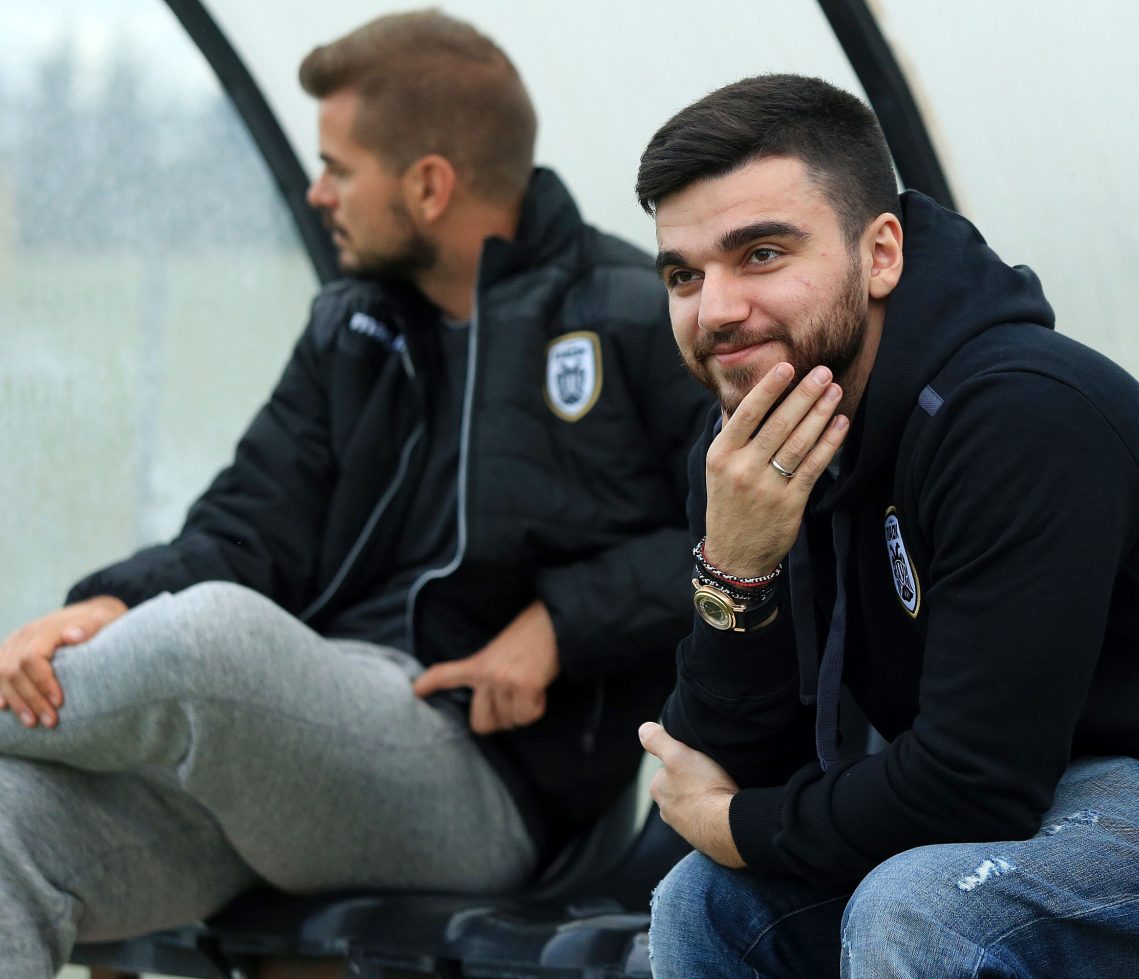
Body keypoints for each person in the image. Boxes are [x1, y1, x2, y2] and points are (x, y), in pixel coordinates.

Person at [0, 10, 707, 975]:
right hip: (289, 757)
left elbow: (753, 537)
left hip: (481, 782)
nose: (316, 191)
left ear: (428, 185)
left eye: (337, 166)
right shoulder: (350, 330)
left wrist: (562, 623)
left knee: (210, 639)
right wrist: (107, 605)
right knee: (9, 823)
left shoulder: (636, 315)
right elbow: (247, 525)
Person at [634, 74, 1139, 978]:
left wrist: (736, 824)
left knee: (925, 909)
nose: (715, 310)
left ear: (881, 254)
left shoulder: (1017, 413)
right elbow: (729, 758)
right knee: (705, 902)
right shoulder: (748, 449)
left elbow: (971, 783)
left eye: (762, 254)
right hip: (1039, 792)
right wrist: (736, 570)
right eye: (684, 275)